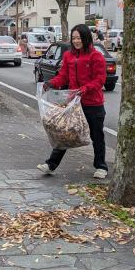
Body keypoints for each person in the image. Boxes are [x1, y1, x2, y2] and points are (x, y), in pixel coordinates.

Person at [37, 23, 108, 179]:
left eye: (79, 38)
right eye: (74, 38)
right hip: (74, 103)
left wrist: (85, 89)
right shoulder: (68, 55)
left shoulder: (96, 56)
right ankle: (51, 165)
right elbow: (63, 76)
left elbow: (100, 79)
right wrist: (51, 83)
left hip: (93, 103)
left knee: (97, 136)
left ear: (86, 38)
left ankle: (101, 167)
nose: (76, 41)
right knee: (64, 132)